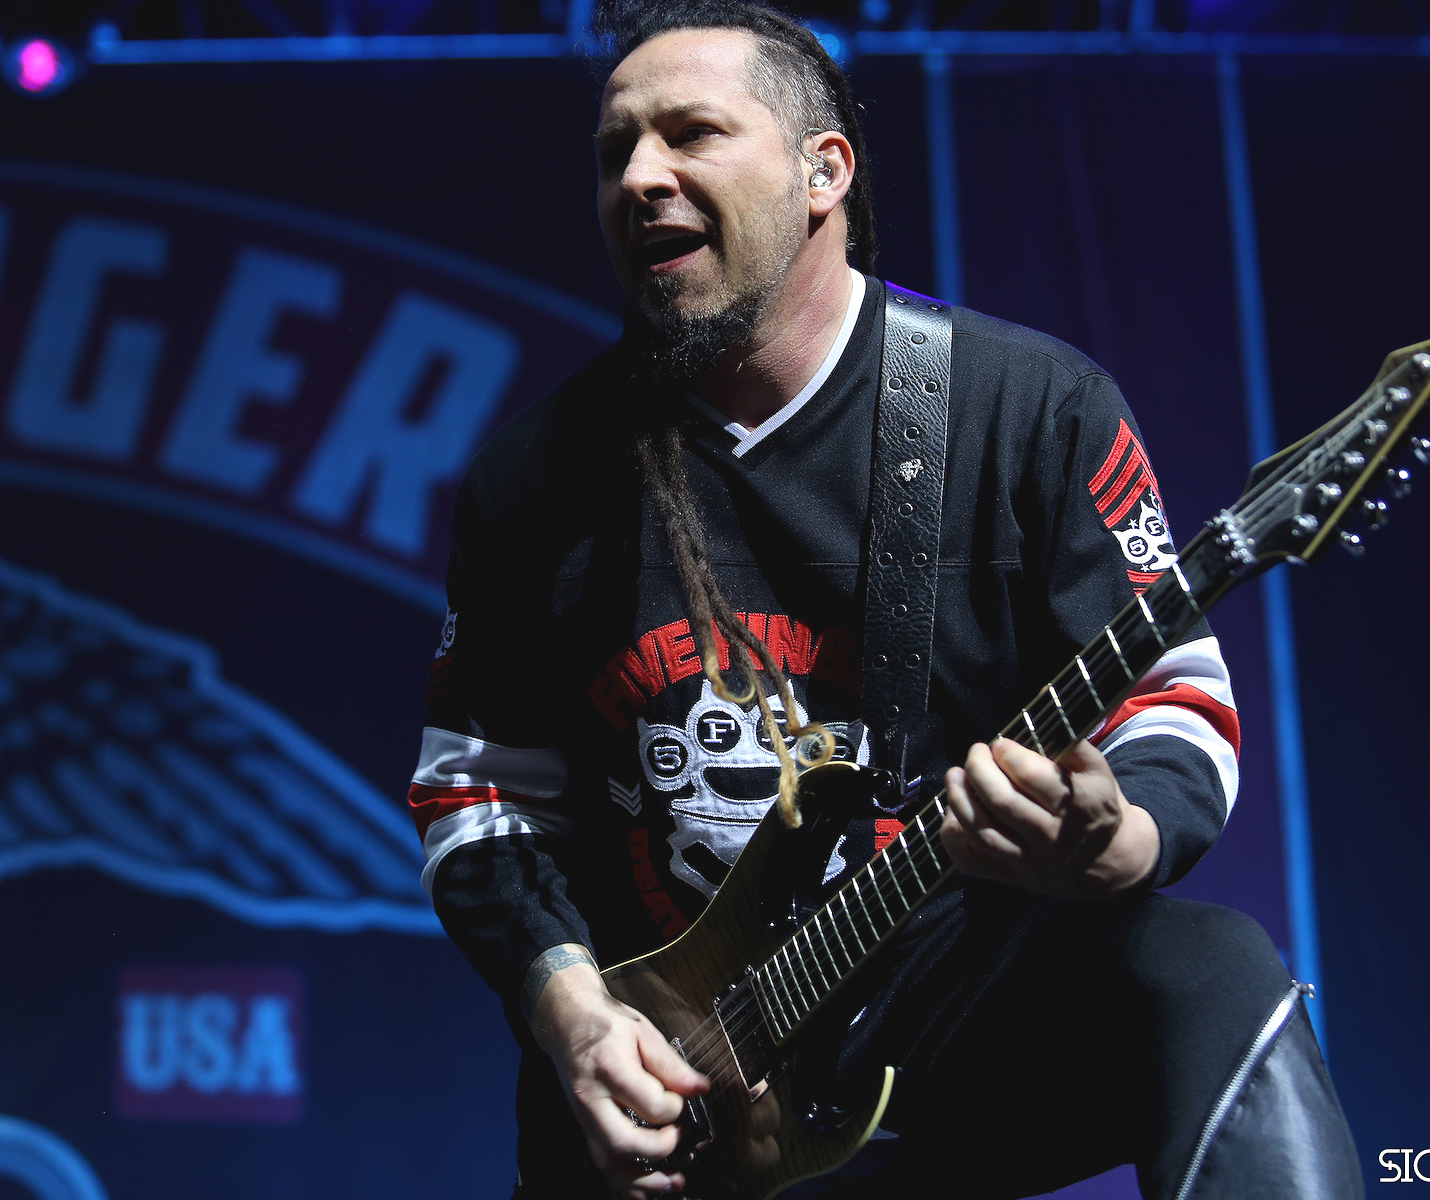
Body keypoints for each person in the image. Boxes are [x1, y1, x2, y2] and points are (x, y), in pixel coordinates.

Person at [408, 2, 1365, 1196]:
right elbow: (477, 794)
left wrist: (1119, 839)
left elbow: (1171, 695)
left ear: (825, 172)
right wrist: (571, 1015)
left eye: (691, 133)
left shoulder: (1028, 409)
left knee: (1215, 971)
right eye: (615, 152)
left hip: (948, 1012)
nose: (640, 177)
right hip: (673, 1098)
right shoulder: (533, 479)